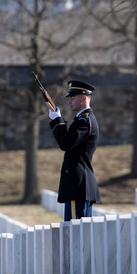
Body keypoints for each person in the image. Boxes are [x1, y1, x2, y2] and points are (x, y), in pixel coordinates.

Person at [48, 79, 100, 221]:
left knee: (76, 235)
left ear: (84, 98)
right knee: (81, 235)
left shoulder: (84, 121)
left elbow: (66, 143)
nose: (69, 101)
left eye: (73, 98)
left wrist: (57, 121)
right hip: (79, 186)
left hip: (77, 186)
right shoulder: (82, 119)